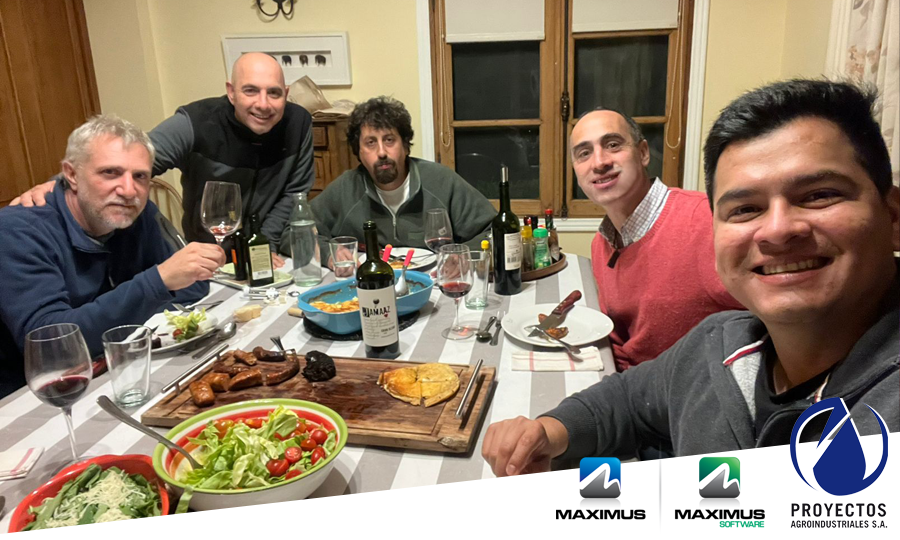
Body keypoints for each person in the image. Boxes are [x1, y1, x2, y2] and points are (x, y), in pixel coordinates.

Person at [482, 79, 900, 475]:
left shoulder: (694, 223)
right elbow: (636, 394)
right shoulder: (715, 341)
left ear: (893, 216)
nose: (777, 230)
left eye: (819, 195)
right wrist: (549, 430)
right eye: (746, 209)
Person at [11, 52, 314, 266]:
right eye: (250, 91)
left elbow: (294, 192)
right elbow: (130, 161)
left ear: (286, 94)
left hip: (263, 254)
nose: (263, 104)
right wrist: (60, 184)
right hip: (208, 255)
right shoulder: (193, 123)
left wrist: (262, 243)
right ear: (231, 92)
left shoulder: (299, 123)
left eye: (274, 93)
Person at [0, 115, 224, 398]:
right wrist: (156, 283)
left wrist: (122, 314)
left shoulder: (137, 215)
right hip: (31, 397)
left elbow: (193, 285)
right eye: (110, 173)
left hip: (117, 371)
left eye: (140, 176)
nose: (129, 191)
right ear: (71, 175)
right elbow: (52, 345)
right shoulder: (18, 231)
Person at [571, 109, 744, 371]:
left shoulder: (706, 221)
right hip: (630, 383)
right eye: (584, 153)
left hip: (696, 390)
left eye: (613, 145)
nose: (599, 162)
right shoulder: (602, 243)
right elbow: (617, 338)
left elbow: (771, 323)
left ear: (643, 153)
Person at [294, 96, 496, 260]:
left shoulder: (442, 182)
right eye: (371, 143)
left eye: (389, 140)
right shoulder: (345, 189)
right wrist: (329, 254)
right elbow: (293, 233)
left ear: (405, 146)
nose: (382, 152)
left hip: (436, 285)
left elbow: (495, 231)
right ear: (359, 153)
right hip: (371, 286)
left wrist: (462, 256)